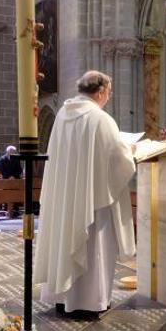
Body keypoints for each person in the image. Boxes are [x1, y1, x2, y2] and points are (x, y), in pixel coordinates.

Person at [35, 71, 136, 317]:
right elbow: (118, 159)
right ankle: (89, 302)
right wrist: (130, 150)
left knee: (64, 240)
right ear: (101, 91)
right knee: (95, 248)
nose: (108, 98)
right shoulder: (101, 119)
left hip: (64, 198)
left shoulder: (62, 116)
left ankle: (62, 297)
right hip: (92, 202)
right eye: (108, 94)